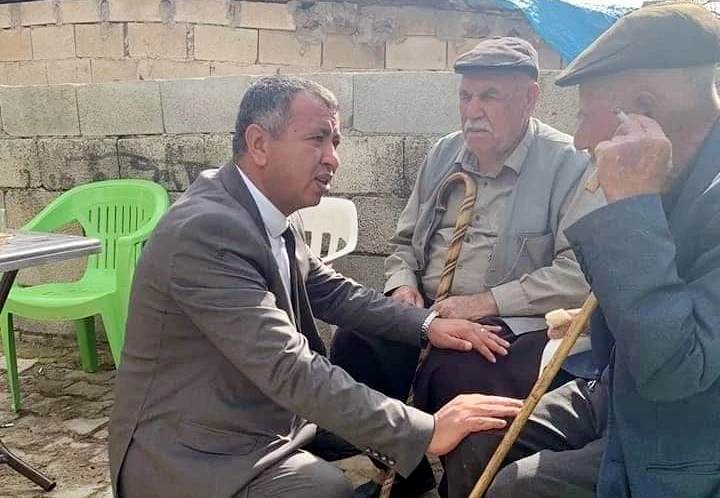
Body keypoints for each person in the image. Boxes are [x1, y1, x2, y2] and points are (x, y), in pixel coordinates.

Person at [107, 75, 526, 498]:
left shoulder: (264, 213)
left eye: (336, 142)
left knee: (378, 411)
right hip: (194, 450)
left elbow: (334, 292)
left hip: (258, 414)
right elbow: (285, 365)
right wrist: (428, 429)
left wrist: (427, 324)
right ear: (259, 144)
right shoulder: (206, 231)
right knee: (324, 489)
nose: (333, 159)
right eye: (318, 139)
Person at [442, 3, 720, 497]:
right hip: (616, 393)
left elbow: (675, 369)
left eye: (587, 116)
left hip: (689, 432)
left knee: (517, 489)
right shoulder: (675, 172)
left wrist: (632, 206)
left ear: (645, 111)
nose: (580, 138)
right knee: (475, 438)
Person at [330, 37, 603, 498]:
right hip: (430, 311)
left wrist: (483, 303)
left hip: (514, 324)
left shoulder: (571, 165)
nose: (473, 111)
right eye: (465, 96)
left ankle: (462, 488)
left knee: (458, 373)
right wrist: (402, 289)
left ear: (530, 99)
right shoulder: (444, 153)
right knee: (356, 342)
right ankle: (406, 475)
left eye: (489, 96)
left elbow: (578, 275)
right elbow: (404, 243)